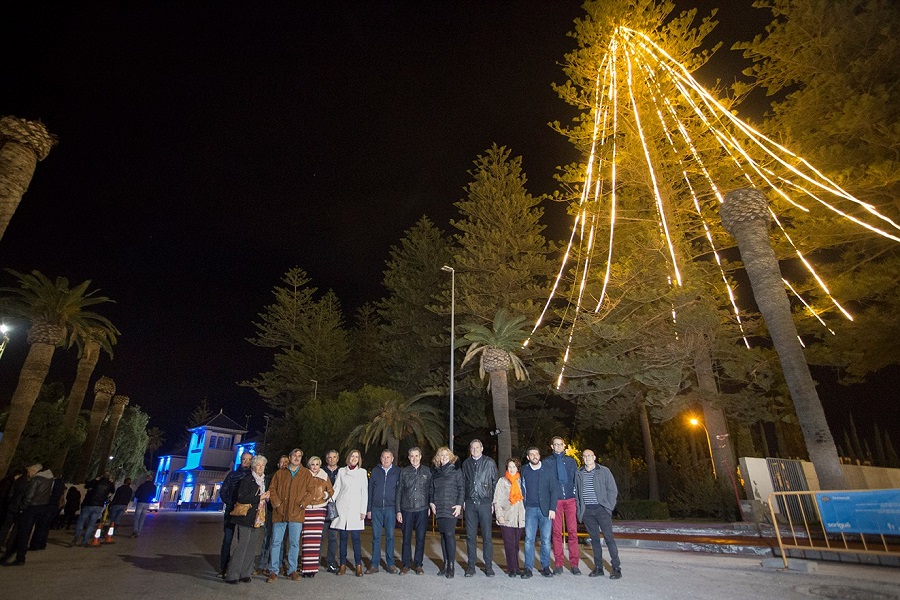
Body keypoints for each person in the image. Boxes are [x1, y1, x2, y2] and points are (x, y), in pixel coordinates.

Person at [266, 448, 314, 582]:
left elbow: (311, 492)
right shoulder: (280, 473)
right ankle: (273, 570)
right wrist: (277, 504)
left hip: (296, 513)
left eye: (299, 456)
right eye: (294, 455)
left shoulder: (306, 474)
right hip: (280, 512)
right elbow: (272, 489)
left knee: (294, 543)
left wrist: (302, 504)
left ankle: (292, 570)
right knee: (276, 542)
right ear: (290, 457)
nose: (297, 458)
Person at [575, 448, 622, 579]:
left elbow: (612, 490)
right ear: (582, 458)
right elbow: (577, 495)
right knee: (594, 540)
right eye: (585, 456)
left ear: (594, 457)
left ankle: (616, 568)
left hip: (602, 510)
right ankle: (598, 567)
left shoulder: (604, 471)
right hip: (588, 512)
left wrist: (608, 507)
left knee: (609, 538)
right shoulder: (579, 473)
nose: (587, 458)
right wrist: (581, 511)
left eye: (590, 455)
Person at [225, 454, 270, 584]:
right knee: (242, 546)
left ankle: (245, 573)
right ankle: (233, 574)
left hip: (258, 517)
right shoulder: (247, 479)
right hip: (246, 517)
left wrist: (266, 497)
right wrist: (259, 498)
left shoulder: (264, 481)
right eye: (258, 465)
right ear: (253, 466)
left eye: (263, 465)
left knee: (251, 547)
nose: (261, 467)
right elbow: (242, 498)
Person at [520, 447, 560, 578]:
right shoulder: (525, 470)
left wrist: (552, 508)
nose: (534, 456)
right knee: (529, 539)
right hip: (530, 509)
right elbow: (521, 487)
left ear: (539, 455)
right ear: (528, 457)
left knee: (546, 540)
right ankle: (528, 568)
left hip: (546, 510)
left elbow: (554, 490)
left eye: (536, 454)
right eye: (531, 454)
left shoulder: (548, 470)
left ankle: (545, 567)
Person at [2, 464, 52, 566]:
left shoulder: (36, 479)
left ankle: (18, 556)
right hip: (41, 507)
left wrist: (22, 508)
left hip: (31, 508)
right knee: (24, 532)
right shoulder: (48, 479)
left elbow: (29, 496)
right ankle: (16, 555)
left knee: (22, 533)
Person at [461, 438, 498, 577]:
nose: (475, 450)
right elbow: (463, 483)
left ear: (482, 448)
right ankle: (471, 566)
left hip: (485, 503)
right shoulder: (466, 464)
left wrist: (493, 502)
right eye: (472, 448)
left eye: (477, 447)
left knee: (487, 536)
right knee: (470, 537)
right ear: (470, 450)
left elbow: (495, 482)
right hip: (470, 504)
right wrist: (463, 500)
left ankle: (488, 566)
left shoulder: (489, 462)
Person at [543, 436, 580, 574]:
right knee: (556, 533)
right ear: (552, 446)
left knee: (572, 533)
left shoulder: (571, 462)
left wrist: (576, 496)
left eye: (560, 444)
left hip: (570, 500)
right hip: (556, 501)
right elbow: (546, 482)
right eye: (555, 445)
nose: (558, 447)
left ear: (564, 446)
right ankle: (558, 564)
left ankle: (574, 564)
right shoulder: (547, 462)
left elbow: (576, 479)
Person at [331, 449, 367, 577]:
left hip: (356, 511)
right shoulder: (341, 471)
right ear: (348, 457)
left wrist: (363, 510)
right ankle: (343, 565)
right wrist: (328, 501)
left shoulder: (362, 473)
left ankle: (358, 566)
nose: (354, 458)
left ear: (359, 459)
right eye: (352, 456)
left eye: (357, 457)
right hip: (342, 509)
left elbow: (364, 493)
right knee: (343, 539)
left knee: (356, 539)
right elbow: (336, 489)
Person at [395, 446, 431, 575]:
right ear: (409, 458)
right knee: (406, 538)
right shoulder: (404, 472)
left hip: (422, 508)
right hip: (407, 509)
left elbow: (430, 490)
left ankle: (418, 564)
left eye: (417, 456)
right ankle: (406, 564)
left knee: (421, 538)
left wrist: (429, 505)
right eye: (412, 456)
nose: (414, 458)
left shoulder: (427, 472)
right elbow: (399, 491)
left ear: (420, 456)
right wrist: (398, 510)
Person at [429, 446, 463, 579]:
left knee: (449, 534)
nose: (443, 457)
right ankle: (445, 564)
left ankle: (451, 566)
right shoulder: (435, 472)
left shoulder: (456, 471)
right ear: (438, 458)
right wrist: (431, 502)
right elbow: (431, 489)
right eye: (441, 455)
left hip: (451, 507)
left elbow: (461, 488)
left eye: (446, 455)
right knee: (443, 535)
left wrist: (459, 504)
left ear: (450, 457)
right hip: (439, 507)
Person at [219, 451, 252, 576]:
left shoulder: (252, 476)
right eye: (244, 459)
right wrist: (231, 504)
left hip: (245, 512)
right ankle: (224, 567)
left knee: (243, 541)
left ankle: (239, 567)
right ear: (241, 459)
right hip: (231, 511)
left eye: (249, 460)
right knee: (227, 540)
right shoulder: (232, 475)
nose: (246, 462)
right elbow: (223, 492)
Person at [300, 455, 334, 577]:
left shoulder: (324, 475)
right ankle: (305, 568)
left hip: (320, 509)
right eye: (313, 464)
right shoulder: (304, 475)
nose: (315, 467)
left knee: (316, 541)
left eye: (317, 464)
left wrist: (325, 495)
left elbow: (331, 491)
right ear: (309, 465)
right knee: (306, 540)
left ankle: (313, 569)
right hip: (307, 510)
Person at [367, 449, 399, 573]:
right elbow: (370, 490)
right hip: (376, 508)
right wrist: (369, 509)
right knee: (376, 537)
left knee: (390, 536)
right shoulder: (375, 471)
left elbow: (399, 491)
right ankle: (374, 564)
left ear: (392, 459)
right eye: (384, 457)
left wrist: (398, 510)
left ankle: (390, 564)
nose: (386, 459)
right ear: (381, 459)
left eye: (388, 457)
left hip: (391, 508)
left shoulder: (397, 472)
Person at [493, 457, 526, 577]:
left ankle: (516, 566)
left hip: (519, 518)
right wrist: (499, 515)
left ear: (518, 468)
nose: (512, 469)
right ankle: (512, 568)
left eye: (514, 466)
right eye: (510, 466)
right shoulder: (502, 481)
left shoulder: (521, 481)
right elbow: (497, 500)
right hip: (506, 517)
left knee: (516, 544)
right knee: (509, 544)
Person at [72, 471, 115, 547]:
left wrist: (95, 479)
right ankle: (84, 541)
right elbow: (113, 491)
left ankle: (76, 537)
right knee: (91, 524)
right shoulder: (109, 484)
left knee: (81, 521)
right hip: (99, 505)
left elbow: (86, 485)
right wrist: (112, 482)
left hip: (89, 503)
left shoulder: (96, 482)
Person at [321, 450, 340, 572]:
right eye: (329, 457)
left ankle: (331, 562)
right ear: (326, 459)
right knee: (320, 536)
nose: (331, 459)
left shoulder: (342, 472)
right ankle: (314, 562)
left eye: (334, 457)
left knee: (333, 537)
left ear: (337, 459)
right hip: (322, 507)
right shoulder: (322, 471)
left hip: (336, 508)